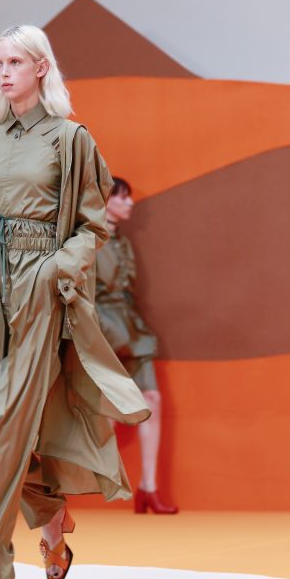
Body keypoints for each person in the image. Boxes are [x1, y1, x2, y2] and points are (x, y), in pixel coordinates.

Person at [0, 25, 150, 579]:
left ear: (41, 67)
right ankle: (53, 519)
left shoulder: (70, 138)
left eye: (14, 62)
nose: (3, 73)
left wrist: (52, 271)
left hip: (40, 287)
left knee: (7, 421)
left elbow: (93, 224)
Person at [95, 178, 178, 514]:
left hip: (130, 328)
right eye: (123, 197)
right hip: (101, 329)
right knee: (106, 411)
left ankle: (149, 488)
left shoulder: (122, 242)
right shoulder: (86, 241)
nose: (130, 203)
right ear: (105, 200)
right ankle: (104, 487)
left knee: (152, 400)